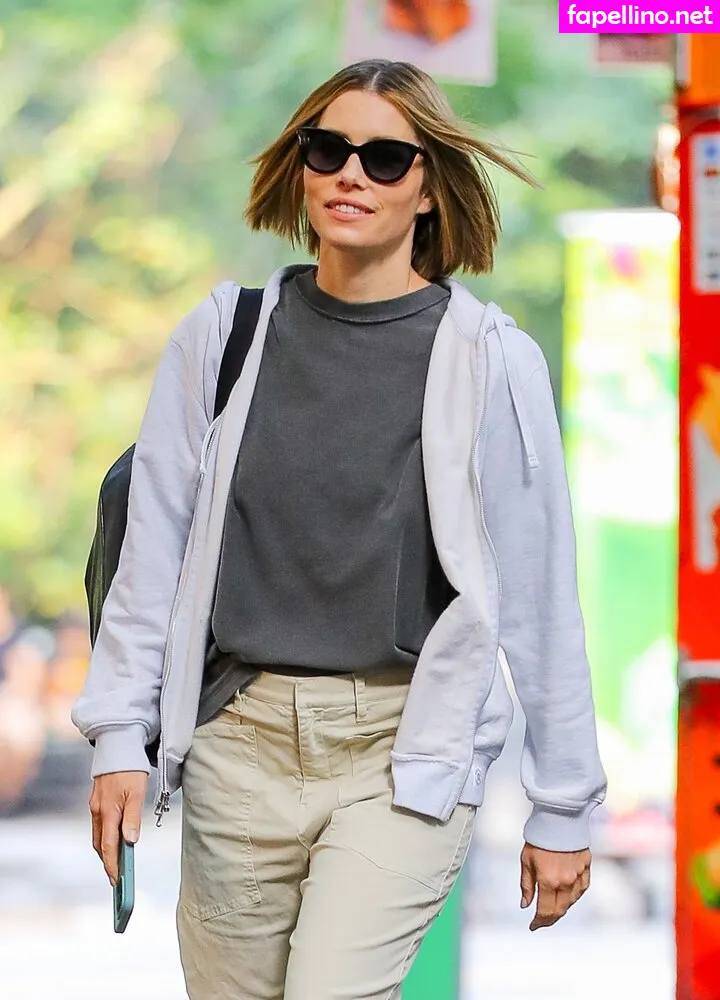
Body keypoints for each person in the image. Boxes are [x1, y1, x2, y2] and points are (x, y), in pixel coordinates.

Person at [71, 59, 607, 999]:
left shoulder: (490, 361)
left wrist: (563, 804)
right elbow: (152, 555)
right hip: (237, 743)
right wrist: (120, 734)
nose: (351, 173)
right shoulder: (221, 337)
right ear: (302, 167)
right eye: (329, 150)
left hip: (402, 750)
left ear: (430, 189)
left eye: (386, 158)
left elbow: (539, 594)